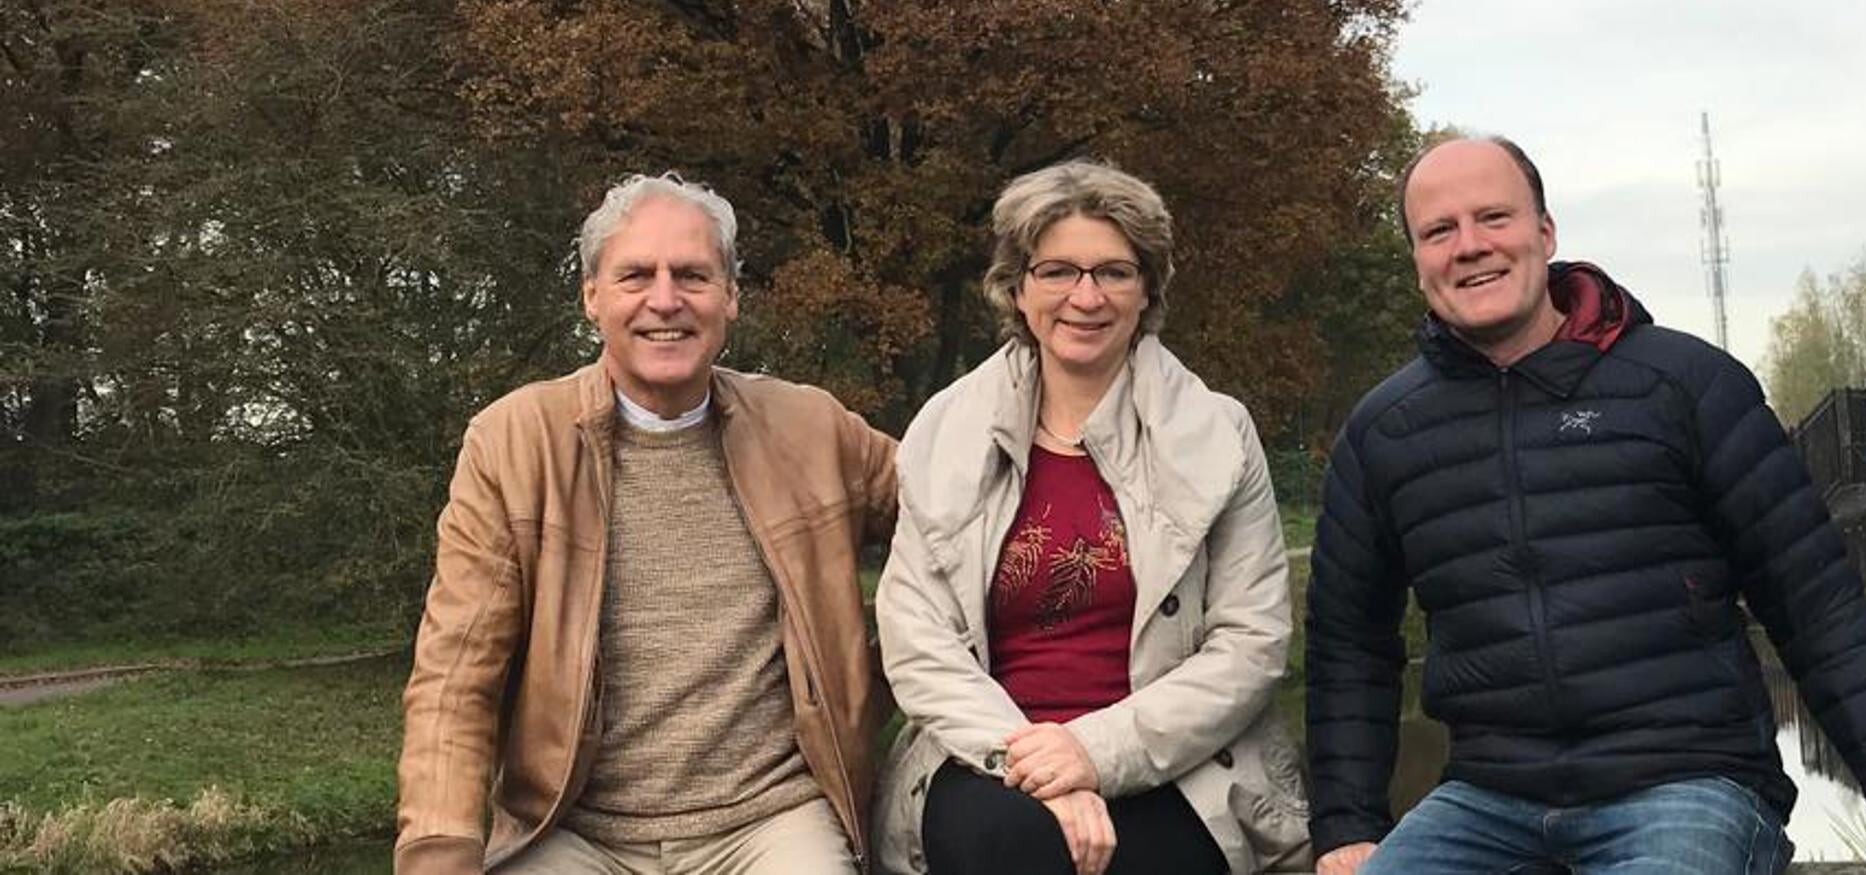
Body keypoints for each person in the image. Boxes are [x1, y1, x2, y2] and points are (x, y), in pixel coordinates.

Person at [1306, 136, 1866, 875]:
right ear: (1416, 259)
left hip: (1687, 782)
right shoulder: (1385, 431)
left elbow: (1815, 605)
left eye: (1492, 217)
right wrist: (1346, 822)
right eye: (1439, 230)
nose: (1469, 246)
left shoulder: (1686, 386)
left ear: (1544, 231)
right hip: (1486, 799)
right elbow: (1349, 641)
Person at [393, 172, 898, 875]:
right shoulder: (513, 442)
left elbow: (961, 520)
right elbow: (455, 672)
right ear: (591, 297)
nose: (666, 299)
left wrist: (885, 678)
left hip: (771, 820)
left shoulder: (811, 427)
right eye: (636, 275)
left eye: (692, 274)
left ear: (730, 297)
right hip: (572, 831)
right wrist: (440, 847)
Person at [871, 160, 1310, 875]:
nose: (1085, 296)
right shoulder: (945, 430)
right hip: (988, 750)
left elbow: (1249, 641)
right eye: (1057, 271)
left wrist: (1094, 753)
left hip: (1177, 758)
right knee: (1012, 843)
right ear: (1018, 286)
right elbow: (917, 639)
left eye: (1113, 271)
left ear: (1147, 291)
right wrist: (1039, 763)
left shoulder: (1216, 434)